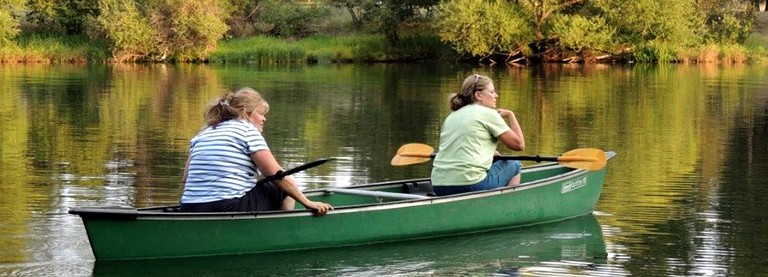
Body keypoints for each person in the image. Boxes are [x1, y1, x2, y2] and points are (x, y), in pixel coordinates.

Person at [179, 87, 333, 215]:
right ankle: (280, 232)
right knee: (288, 182)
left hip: (189, 207)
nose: (264, 119)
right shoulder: (247, 130)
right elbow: (277, 176)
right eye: (261, 114)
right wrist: (308, 202)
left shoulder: (203, 133)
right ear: (246, 113)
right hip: (228, 206)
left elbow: (186, 178)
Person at [431, 74, 526, 196]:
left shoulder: (451, 116)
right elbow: (519, 145)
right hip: (469, 184)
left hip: (438, 185)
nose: (496, 95)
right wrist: (511, 115)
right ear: (478, 95)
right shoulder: (488, 113)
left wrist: (489, 153)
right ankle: (507, 205)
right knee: (514, 164)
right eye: (492, 92)